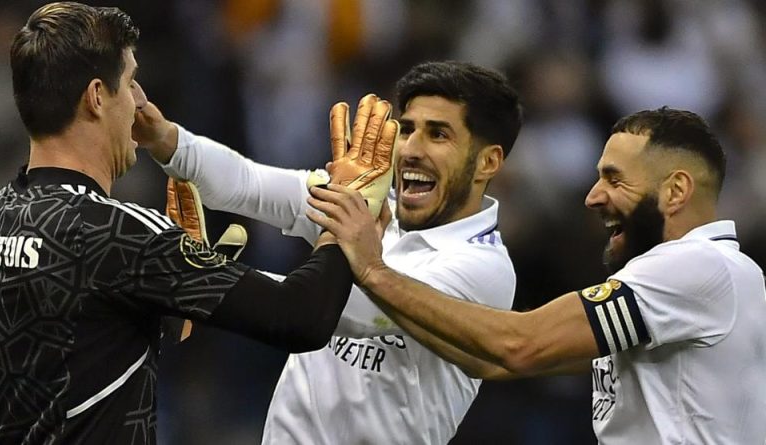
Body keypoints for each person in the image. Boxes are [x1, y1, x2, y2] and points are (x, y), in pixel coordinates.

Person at [0, 3, 396, 444]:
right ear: (96, 97)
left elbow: (71, 340)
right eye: (130, 82)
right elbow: (301, 316)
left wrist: (172, 296)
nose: (139, 100)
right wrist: (344, 208)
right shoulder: (119, 233)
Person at [309, 107, 766, 443]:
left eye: (614, 179)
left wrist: (373, 269)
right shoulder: (689, 289)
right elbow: (490, 362)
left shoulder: (700, 266)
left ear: (676, 190)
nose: (592, 196)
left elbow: (520, 344)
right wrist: (375, 278)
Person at [135, 61, 523, 444]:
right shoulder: (368, 201)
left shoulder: (483, 268)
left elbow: (345, 312)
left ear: (487, 161)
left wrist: (200, 276)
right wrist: (164, 138)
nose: (410, 149)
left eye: (438, 135)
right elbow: (247, 183)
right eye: (406, 130)